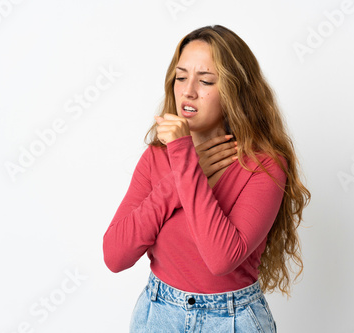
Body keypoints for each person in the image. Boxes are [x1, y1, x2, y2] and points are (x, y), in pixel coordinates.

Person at [103, 25, 310, 332]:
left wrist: (185, 159)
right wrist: (175, 181)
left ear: (235, 90)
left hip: (232, 319)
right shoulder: (157, 157)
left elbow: (221, 258)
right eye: (181, 76)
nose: (188, 91)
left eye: (206, 81)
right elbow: (115, 256)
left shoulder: (263, 164)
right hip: (158, 314)